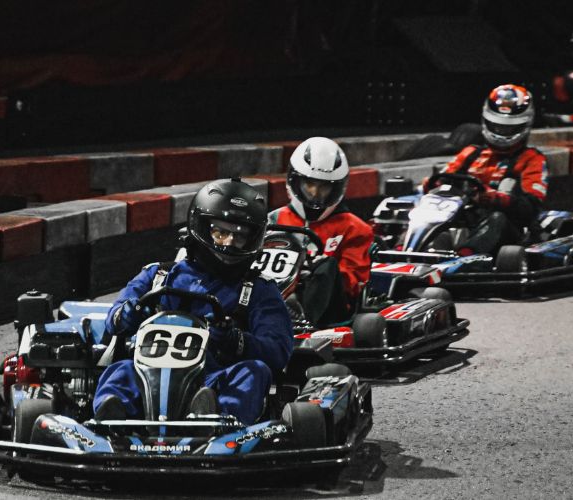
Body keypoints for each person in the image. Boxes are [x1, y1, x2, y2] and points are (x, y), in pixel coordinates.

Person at [93, 179, 293, 425]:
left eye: (239, 236)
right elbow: (114, 319)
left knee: (253, 372)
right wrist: (127, 315)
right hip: (147, 377)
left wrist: (236, 341)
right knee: (120, 370)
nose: (229, 243)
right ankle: (111, 420)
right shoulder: (158, 275)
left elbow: (278, 351)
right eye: (221, 233)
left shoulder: (258, 289)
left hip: (213, 378)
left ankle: (215, 419)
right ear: (201, 227)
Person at [425, 84, 548, 256]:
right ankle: (402, 249)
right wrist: (431, 185)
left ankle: (466, 257)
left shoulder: (532, 159)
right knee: (420, 208)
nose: (501, 132)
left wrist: (497, 199)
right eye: (497, 126)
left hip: (510, 229)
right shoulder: (471, 153)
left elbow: (531, 208)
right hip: (464, 221)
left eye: (508, 129)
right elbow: (443, 179)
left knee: (498, 215)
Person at [269, 137, 374, 326]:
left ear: (336, 188)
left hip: (327, 312)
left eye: (324, 186)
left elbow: (352, 284)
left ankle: (299, 318)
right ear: (296, 181)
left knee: (327, 266)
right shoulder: (273, 220)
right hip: (272, 295)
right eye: (309, 183)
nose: (315, 193)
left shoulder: (355, 229)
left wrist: (312, 269)